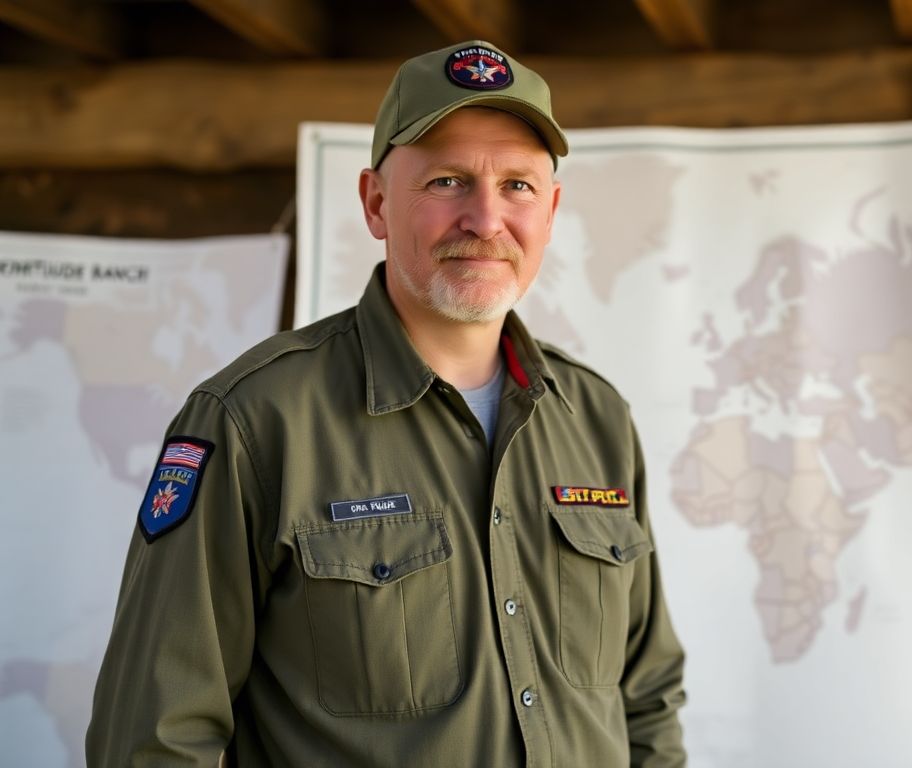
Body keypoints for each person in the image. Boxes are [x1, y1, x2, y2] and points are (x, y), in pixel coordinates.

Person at [86, 40, 687, 766]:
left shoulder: (596, 419)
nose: (486, 219)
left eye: (519, 186)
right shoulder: (253, 421)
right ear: (375, 203)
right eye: (447, 180)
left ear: (552, 210)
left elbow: (647, 700)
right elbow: (156, 736)